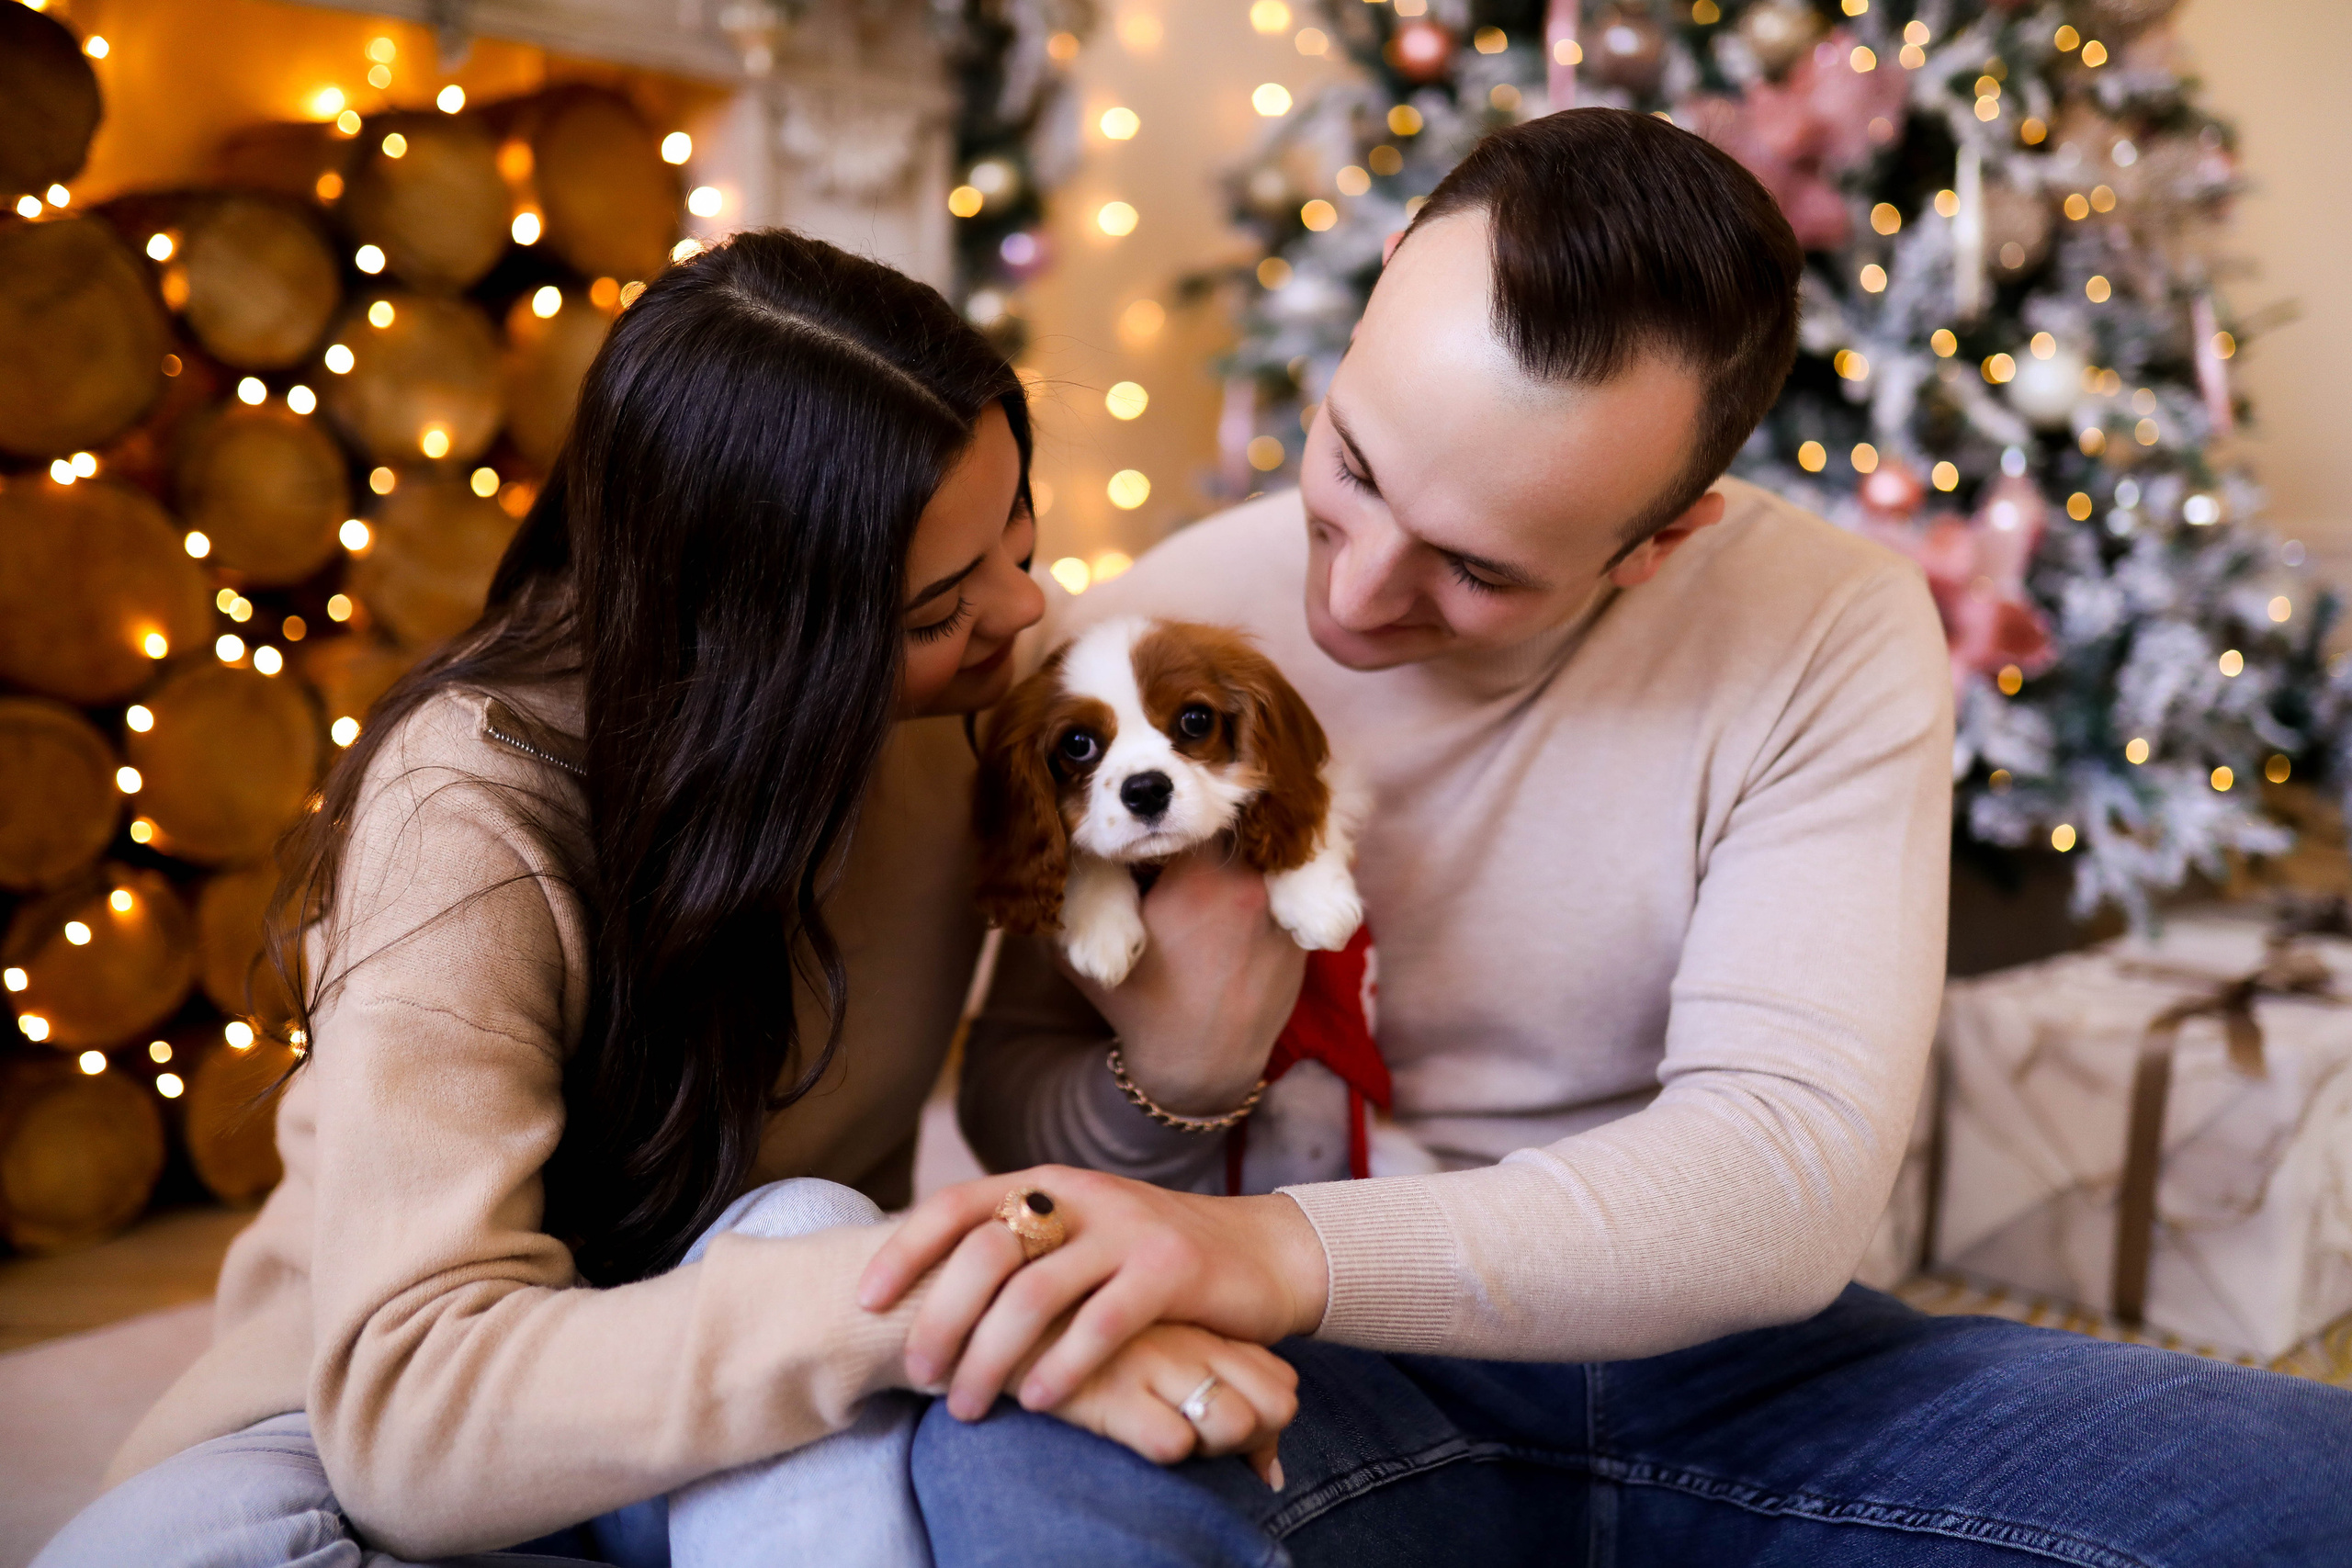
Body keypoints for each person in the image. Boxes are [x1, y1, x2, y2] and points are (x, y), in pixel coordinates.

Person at [863, 108, 2352, 1564]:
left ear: (1661, 542)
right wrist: (1177, 1082)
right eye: (1354, 467)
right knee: (1007, 1460)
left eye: (1476, 568)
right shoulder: (1164, 640)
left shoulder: (1827, 623)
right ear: (1380, 286)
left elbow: (1780, 1180)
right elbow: (1008, 1094)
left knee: (2309, 1478)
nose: (1357, 595)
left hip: (1738, 1371)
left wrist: (1278, 1251)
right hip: (1319, 1372)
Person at [35, 230, 1295, 1568]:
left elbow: (1063, 1135)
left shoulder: (1017, 703)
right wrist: (924, 1306)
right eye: (936, 610)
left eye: (1022, 538)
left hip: (789, 1400)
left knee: (815, 1240)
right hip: (392, 1431)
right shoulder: (468, 803)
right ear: (758, 642)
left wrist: (1189, 1065)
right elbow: (412, 1431)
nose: (1023, 606)